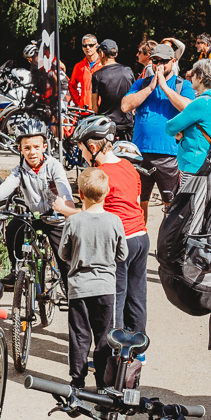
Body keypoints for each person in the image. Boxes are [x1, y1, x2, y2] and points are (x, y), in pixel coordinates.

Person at [72, 115, 149, 334]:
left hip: (120, 241)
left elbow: (89, 214)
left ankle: (113, 348)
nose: (82, 155)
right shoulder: (129, 166)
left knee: (115, 296)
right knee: (137, 295)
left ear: (93, 147)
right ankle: (137, 344)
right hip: (140, 237)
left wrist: (64, 209)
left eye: (82, 149)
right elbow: (136, 203)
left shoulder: (99, 175)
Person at [59, 168, 127, 388]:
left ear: (80, 193)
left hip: (79, 288)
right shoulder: (114, 221)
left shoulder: (74, 221)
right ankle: (102, 383)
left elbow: (63, 254)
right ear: (107, 192)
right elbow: (122, 254)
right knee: (105, 336)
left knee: (79, 335)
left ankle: (77, 380)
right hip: (105, 288)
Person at [0, 117, 76, 260]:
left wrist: (68, 207)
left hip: (55, 218)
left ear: (44, 147)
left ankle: (66, 274)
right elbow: (8, 184)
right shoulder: (20, 170)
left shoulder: (54, 166)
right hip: (33, 216)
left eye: (36, 147)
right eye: (27, 148)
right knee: (12, 230)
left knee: (65, 261)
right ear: (20, 150)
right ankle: (16, 269)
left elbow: (63, 187)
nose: (32, 152)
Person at [119, 43, 197, 216]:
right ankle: (141, 232)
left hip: (169, 154)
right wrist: (150, 88)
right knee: (139, 202)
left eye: (164, 61)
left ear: (173, 61)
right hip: (140, 153)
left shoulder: (182, 85)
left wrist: (165, 87)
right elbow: (125, 106)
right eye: (155, 61)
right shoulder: (141, 84)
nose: (159, 65)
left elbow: (189, 109)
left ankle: (168, 234)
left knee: (171, 204)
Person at [163, 58, 211, 173]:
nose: (191, 78)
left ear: (200, 77)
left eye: (193, 74)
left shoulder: (203, 102)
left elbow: (170, 127)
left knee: (188, 186)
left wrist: (181, 132)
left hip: (194, 164)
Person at [89, 39, 136, 133]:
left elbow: (95, 107)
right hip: (127, 123)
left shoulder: (97, 75)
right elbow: (134, 96)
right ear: (116, 54)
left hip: (107, 124)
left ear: (102, 53)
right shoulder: (128, 70)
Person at [70, 34, 100, 109]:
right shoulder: (79, 66)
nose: (88, 48)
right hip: (85, 110)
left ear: (97, 45)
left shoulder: (104, 64)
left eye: (91, 45)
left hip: (102, 109)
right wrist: (78, 102)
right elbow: (72, 86)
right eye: (85, 45)